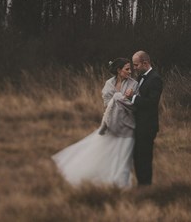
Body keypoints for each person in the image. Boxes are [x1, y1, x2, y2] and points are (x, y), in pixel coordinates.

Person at [52, 58, 139, 188]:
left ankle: (123, 185)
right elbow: (107, 103)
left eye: (130, 69)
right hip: (111, 124)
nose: (130, 71)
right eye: (127, 69)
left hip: (128, 126)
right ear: (119, 70)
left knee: (124, 158)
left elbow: (133, 105)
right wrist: (120, 98)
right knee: (108, 155)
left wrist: (119, 98)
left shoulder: (134, 84)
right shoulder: (109, 84)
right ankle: (107, 181)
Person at [125, 50, 163, 186]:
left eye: (136, 65)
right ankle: (142, 185)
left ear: (145, 63)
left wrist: (132, 98)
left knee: (144, 158)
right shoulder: (141, 77)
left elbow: (151, 103)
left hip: (147, 126)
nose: (134, 68)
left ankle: (145, 187)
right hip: (139, 124)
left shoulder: (155, 79)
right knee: (138, 157)